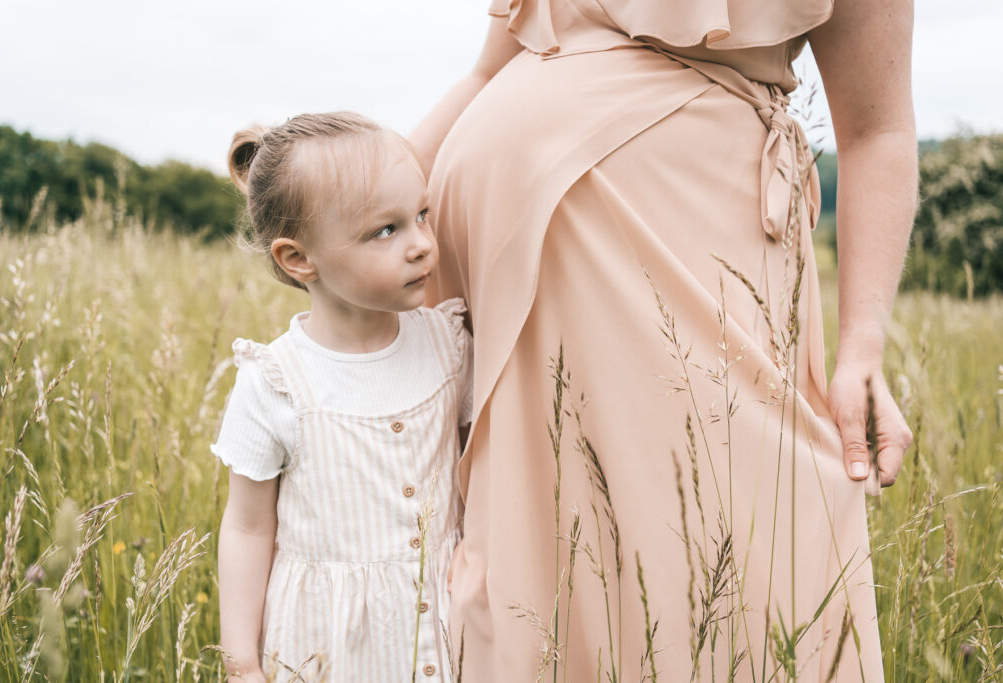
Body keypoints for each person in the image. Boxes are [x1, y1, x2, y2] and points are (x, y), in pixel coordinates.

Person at [410, 0, 915, 680]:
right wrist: (345, 199)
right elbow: (487, 74)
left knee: (724, 558)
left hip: (694, 246)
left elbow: (876, 130)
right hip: (512, 292)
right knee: (537, 562)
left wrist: (862, 346)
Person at [212, 112, 472, 682]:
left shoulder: (448, 343)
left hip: (444, 629)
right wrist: (241, 663)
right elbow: (249, 527)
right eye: (387, 230)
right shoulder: (274, 380)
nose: (422, 245)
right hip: (325, 645)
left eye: (421, 216)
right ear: (299, 259)